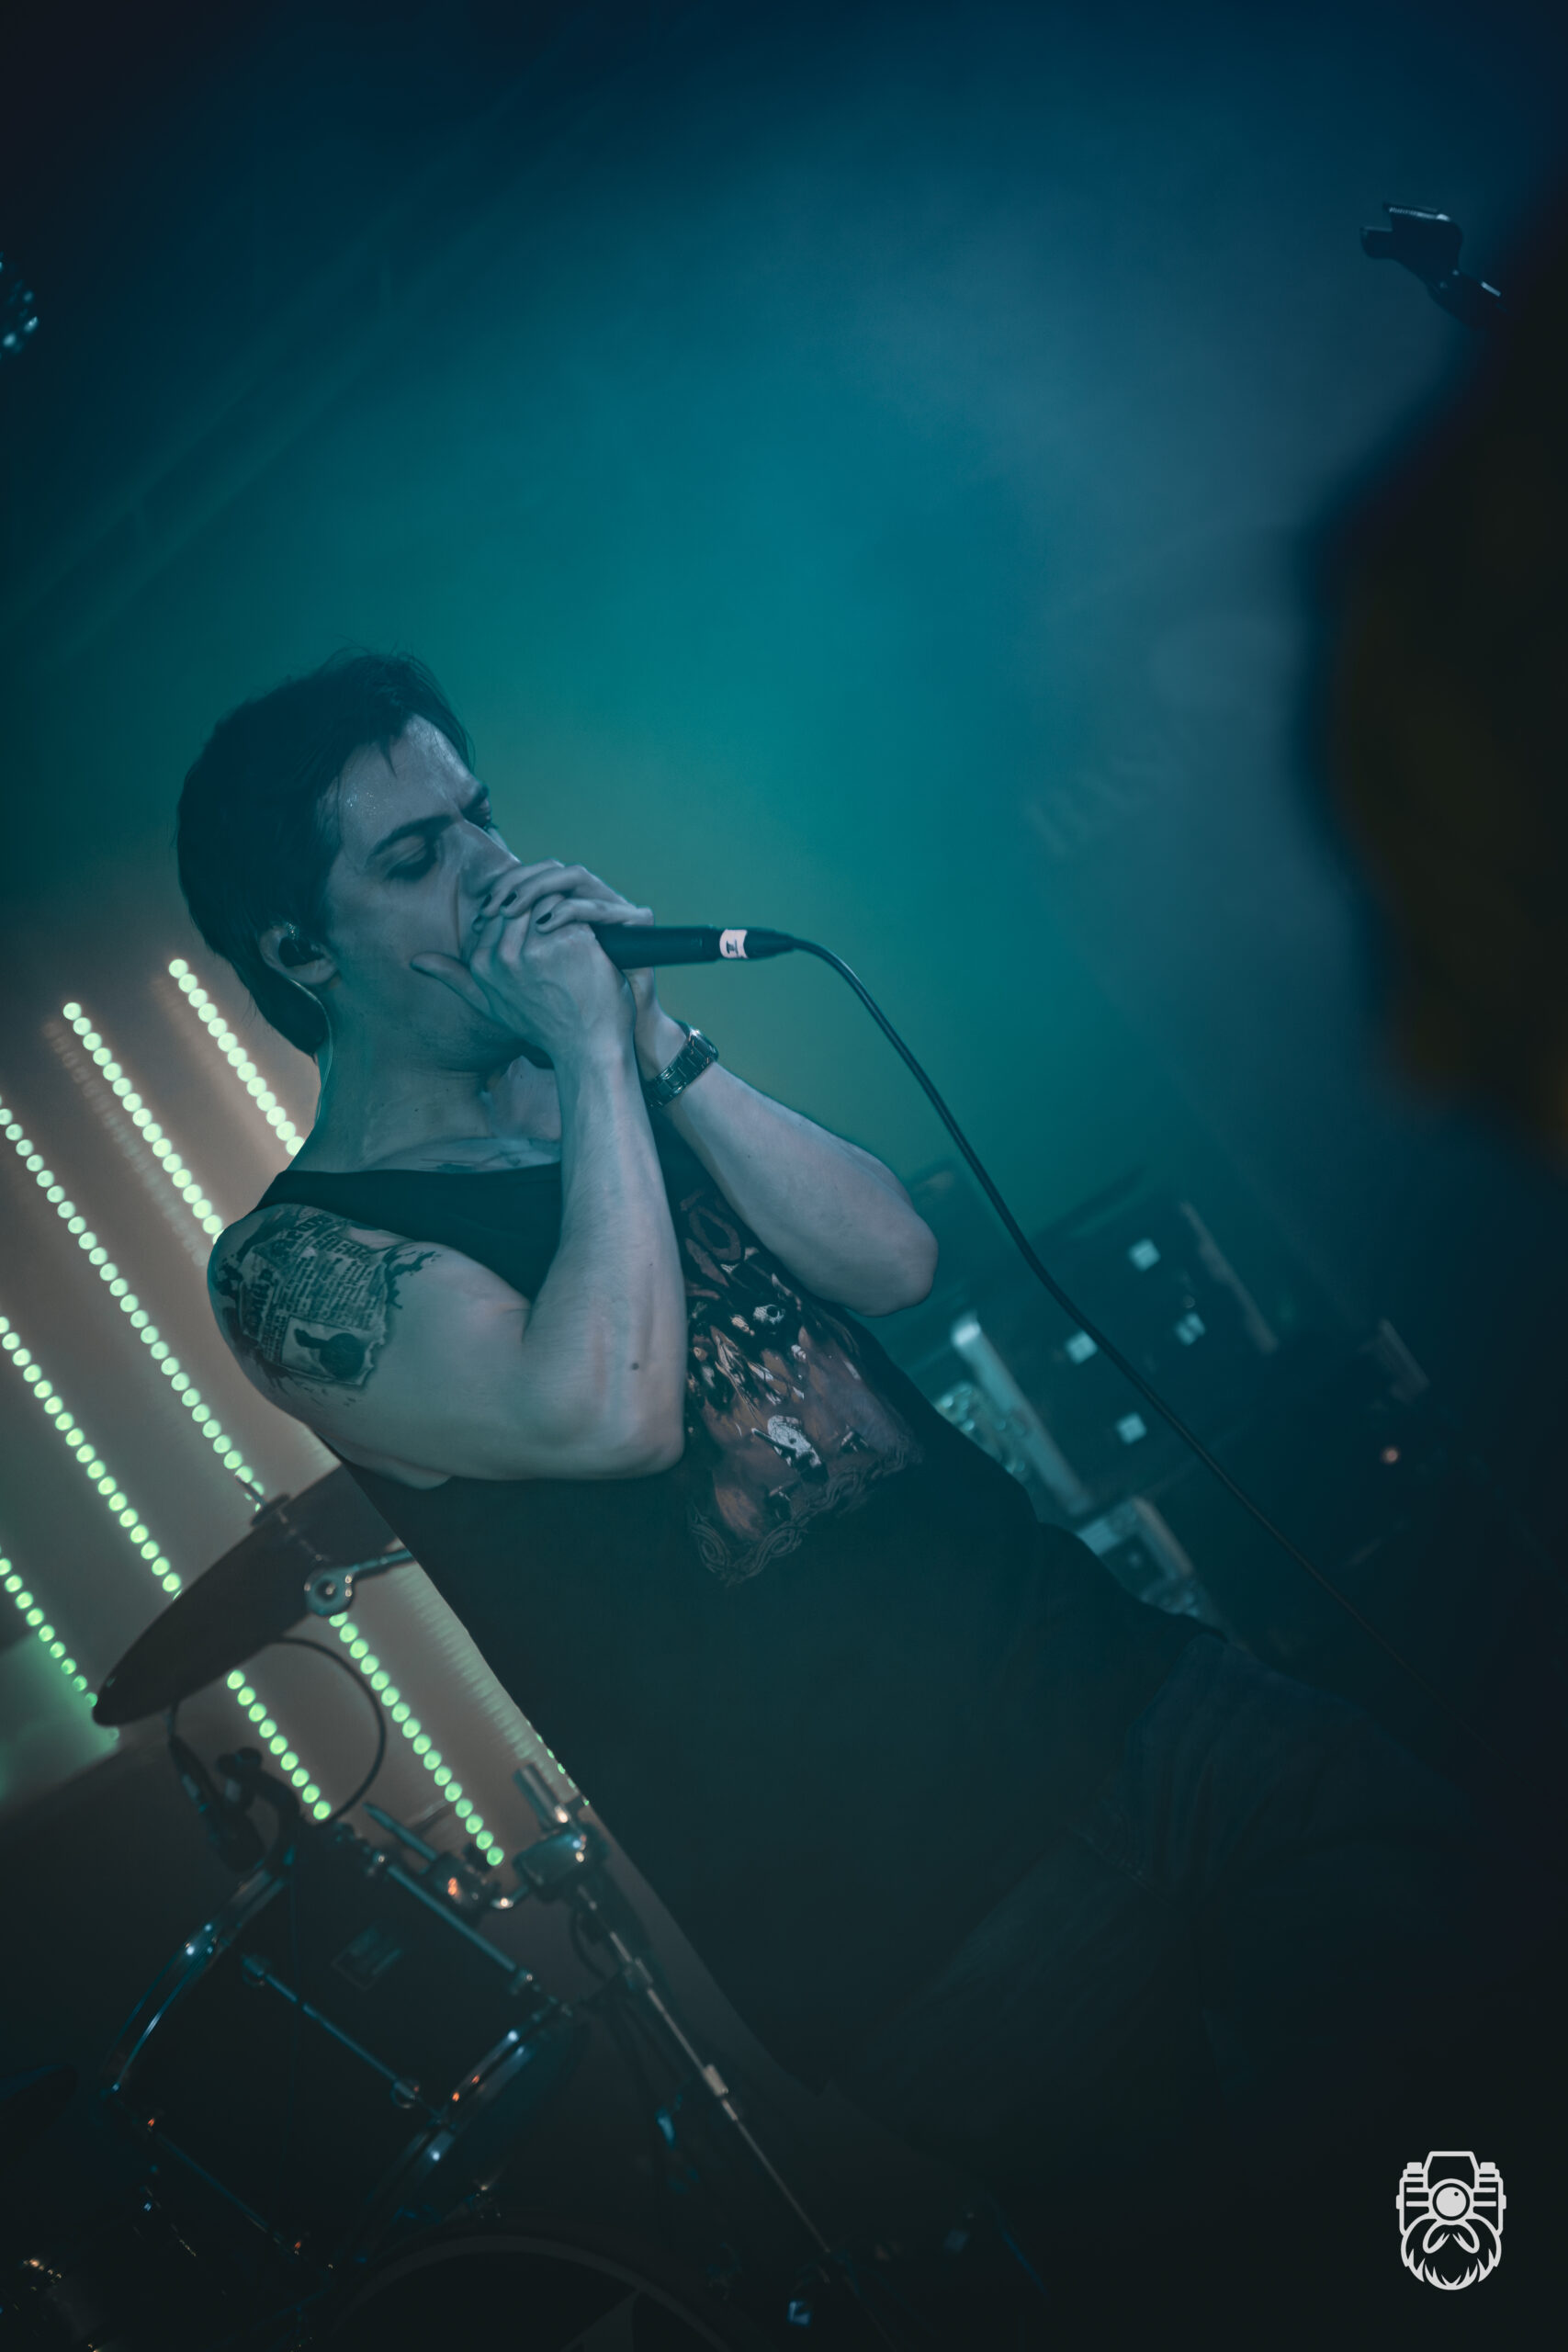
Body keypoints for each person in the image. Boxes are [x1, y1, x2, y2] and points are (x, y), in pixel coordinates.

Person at [176, 652, 1511, 2265]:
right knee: (1254, 2264)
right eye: (415, 856)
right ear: (299, 950)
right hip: (925, 1915)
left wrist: (652, 1038)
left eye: (482, 817)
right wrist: (591, 1062)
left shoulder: (604, 1079)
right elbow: (605, 1413)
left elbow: (894, 1257)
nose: (491, 872)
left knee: (1482, 2043)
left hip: (1122, 1691)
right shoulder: (296, 1264)